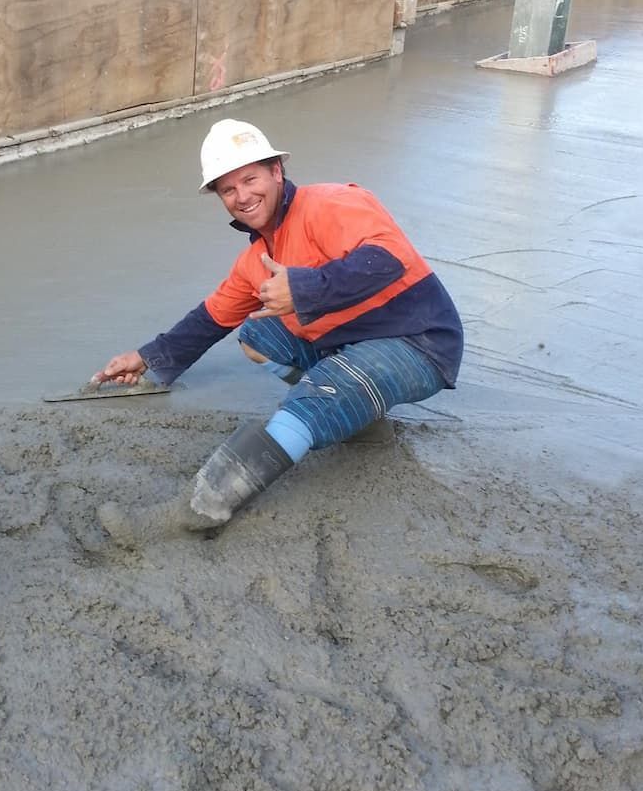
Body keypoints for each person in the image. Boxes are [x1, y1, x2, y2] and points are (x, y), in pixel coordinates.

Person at [94, 118, 463, 546]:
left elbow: (389, 258)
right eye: (228, 189)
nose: (242, 196)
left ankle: (192, 514)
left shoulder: (330, 203)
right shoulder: (257, 258)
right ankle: (366, 422)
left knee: (316, 396)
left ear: (276, 171)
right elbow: (210, 320)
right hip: (359, 343)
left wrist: (305, 287)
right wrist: (147, 361)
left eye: (250, 179)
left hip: (421, 341)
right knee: (258, 337)